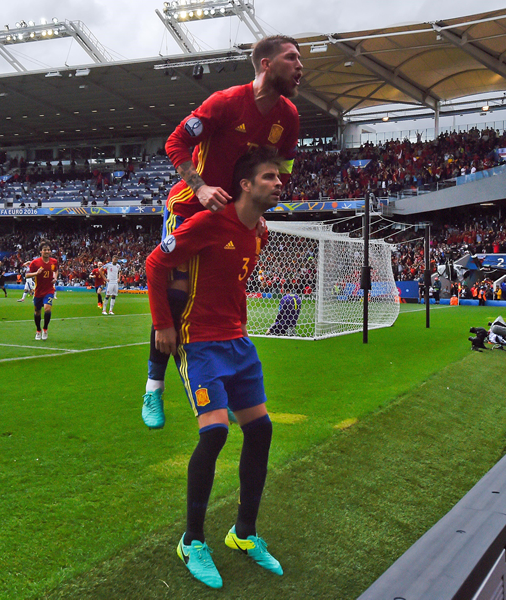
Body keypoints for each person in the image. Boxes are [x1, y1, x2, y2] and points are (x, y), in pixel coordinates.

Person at [142, 34, 302, 431]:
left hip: (233, 217)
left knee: (227, 297)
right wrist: (199, 187)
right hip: (189, 207)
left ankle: (219, 392)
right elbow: (176, 141)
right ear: (266, 64)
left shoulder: (289, 117)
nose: (300, 66)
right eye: (292, 58)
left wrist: (258, 208)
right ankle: (153, 387)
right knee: (176, 294)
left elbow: (283, 167)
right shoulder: (226, 102)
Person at [145, 148, 284, 589]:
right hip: (200, 342)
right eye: (269, 177)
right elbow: (155, 263)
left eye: (278, 176)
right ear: (245, 184)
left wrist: (238, 326)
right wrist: (164, 324)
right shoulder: (208, 222)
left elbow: (234, 283)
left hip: (237, 342)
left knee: (260, 430)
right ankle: (192, 541)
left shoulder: (258, 233)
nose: (278, 183)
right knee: (216, 432)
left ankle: (244, 533)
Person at [25, 242, 57, 340]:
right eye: (45, 250)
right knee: (37, 312)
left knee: (47, 309)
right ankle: (38, 330)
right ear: (41, 251)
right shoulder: (35, 263)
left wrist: (55, 277)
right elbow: (27, 275)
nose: (47, 251)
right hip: (38, 291)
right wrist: (36, 273)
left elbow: (55, 270)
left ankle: (45, 329)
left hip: (49, 290)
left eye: (48, 250)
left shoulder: (54, 261)